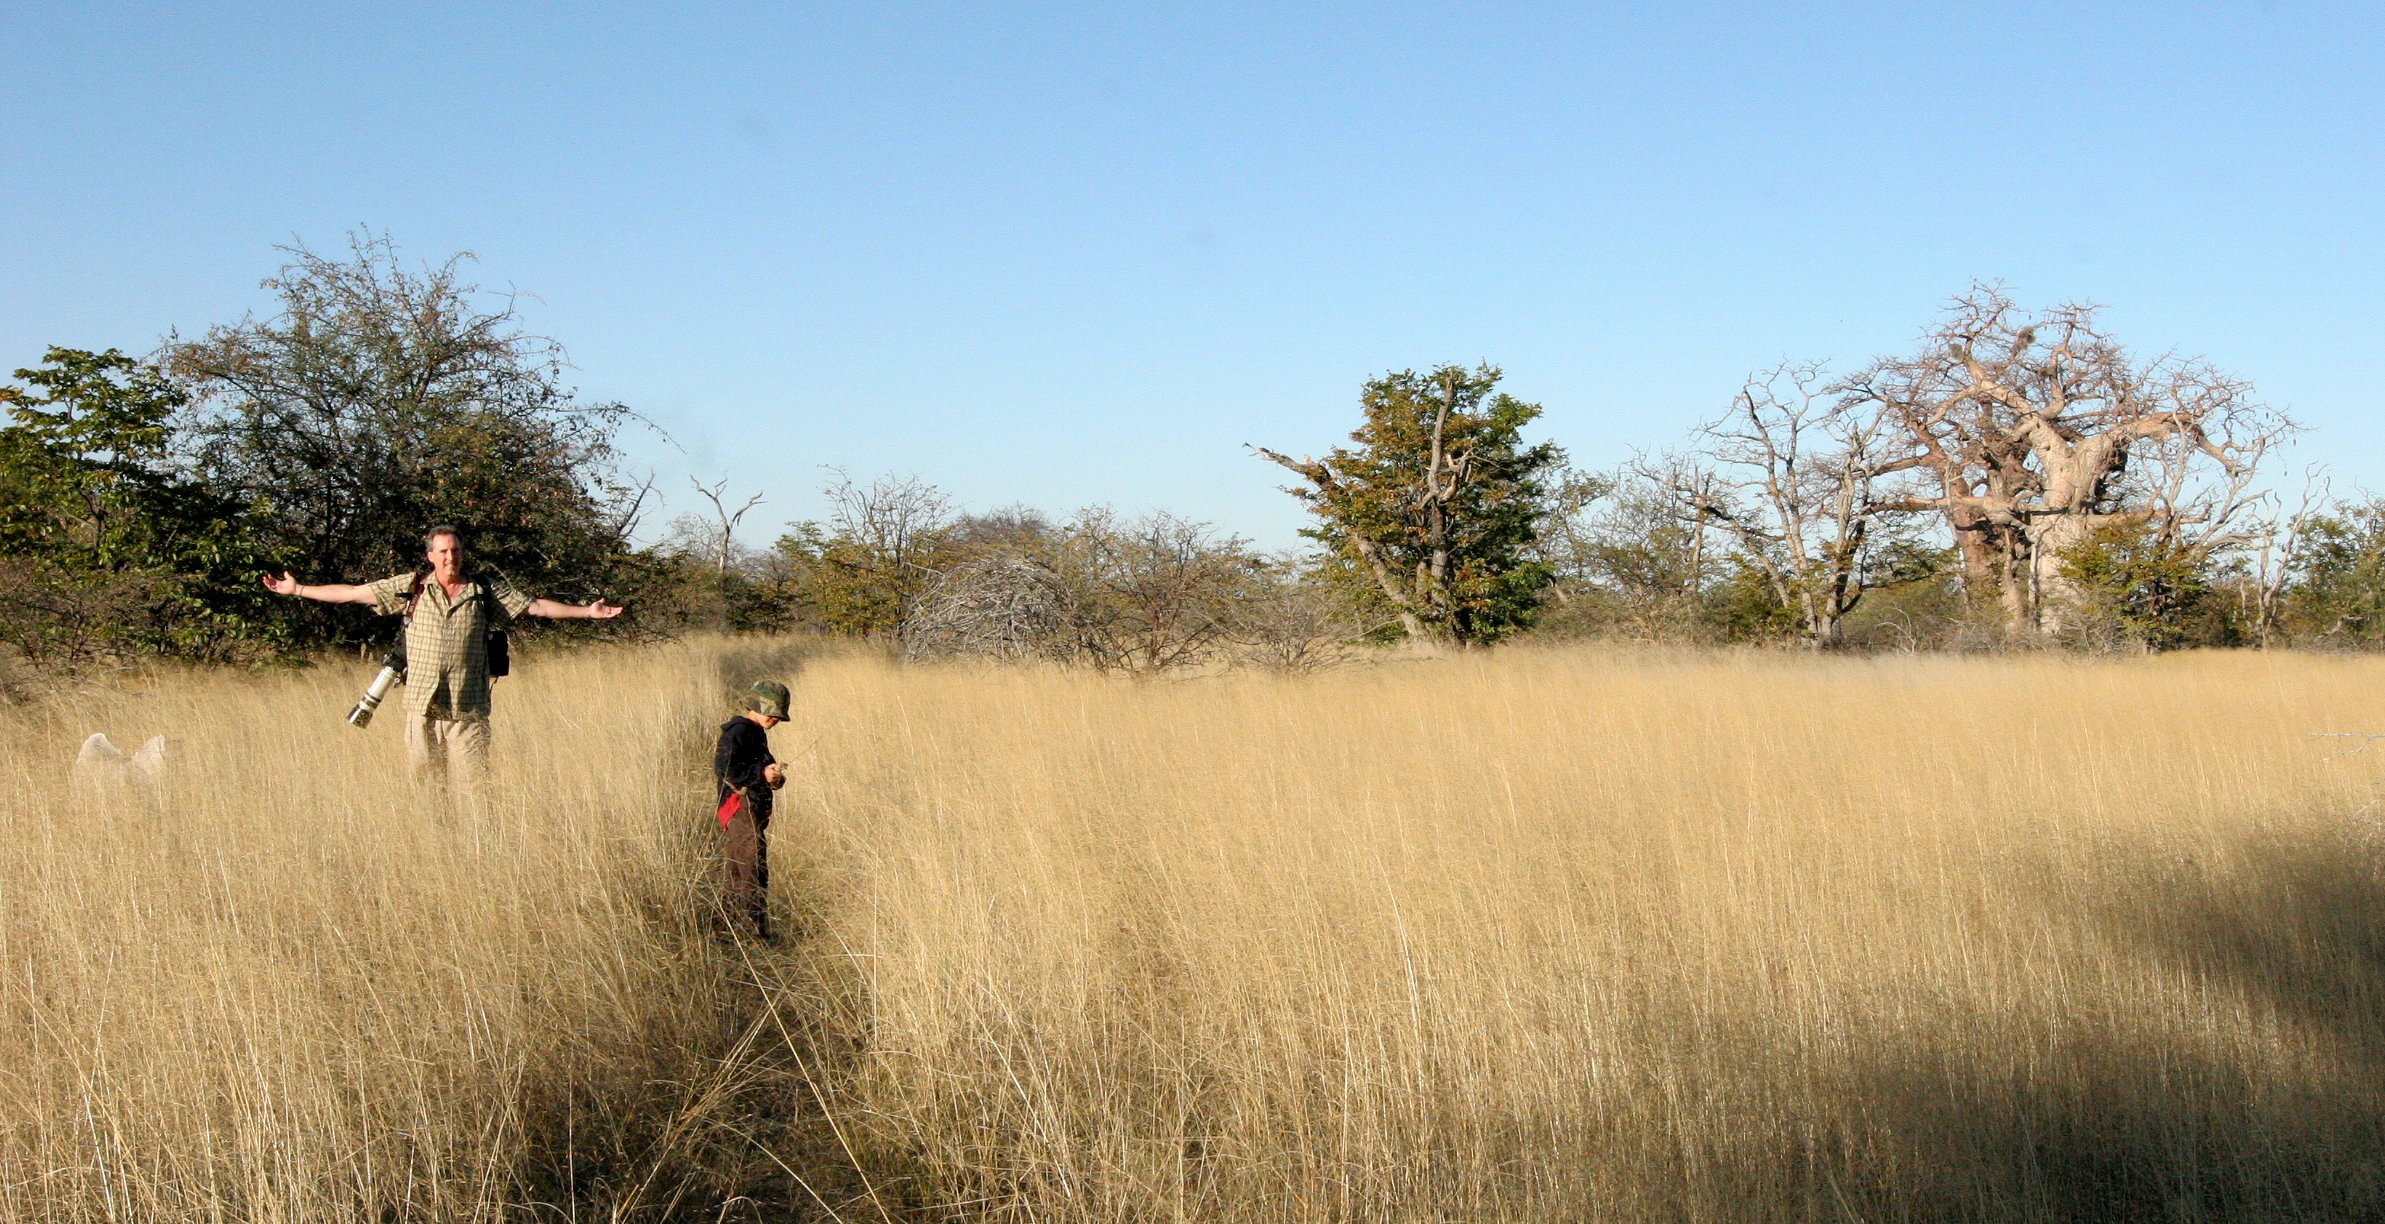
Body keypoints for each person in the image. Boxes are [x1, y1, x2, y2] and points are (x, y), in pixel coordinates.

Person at [262, 524, 625, 791]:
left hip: (468, 708)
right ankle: (434, 849)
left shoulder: (484, 591)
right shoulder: (413, 587)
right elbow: (354, 594)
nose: (451, 557)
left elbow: (536, 607)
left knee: (475, 791)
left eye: (456, 550)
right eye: (443, 551)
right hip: (421, 707)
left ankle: (477, 857)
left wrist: (586, 612)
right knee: (426, 789)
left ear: (462, 553)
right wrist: (300, 590)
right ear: (430, 556)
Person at [714, 679, 790, 941]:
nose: (776, 720)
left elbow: (758, 771)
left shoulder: (756, 733)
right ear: (757, 707)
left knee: (738, 870)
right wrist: (761, 773)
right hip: (739, 810)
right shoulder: (738, 732)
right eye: (772, 714)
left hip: (749, 811)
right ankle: (753, 935)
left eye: (779, 717)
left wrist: (773, 776)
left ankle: (726, 931)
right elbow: (726, 772)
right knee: (752, 870)